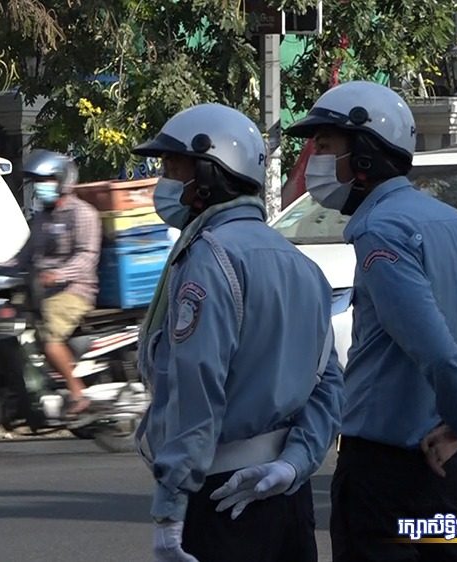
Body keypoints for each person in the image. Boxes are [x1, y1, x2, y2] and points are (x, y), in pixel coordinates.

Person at [286, 80, 457, 561]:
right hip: (442, 462)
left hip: (386, 475)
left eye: (327, 147)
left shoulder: (381, 232)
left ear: (364, 156)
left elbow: (438, 353)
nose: (316, 162)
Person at [132, 104, 344, 562]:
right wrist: (293, 465)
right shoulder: (303, 267)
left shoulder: (209, 261)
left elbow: (197, 388)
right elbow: (329, 385)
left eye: (172, 166)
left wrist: (170, 507)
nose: (163, 181)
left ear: (208, 173)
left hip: (220, 498)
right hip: (286, 494)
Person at [0, 150, 101, 415]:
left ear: (62, 180)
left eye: (47, 179)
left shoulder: (83, 214)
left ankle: (77, 391)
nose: (42, 186)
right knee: (0, 324)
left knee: (47, 337)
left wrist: (58, 274)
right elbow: (23, 258)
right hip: (39, 289)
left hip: (73, 291)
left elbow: (87, 257)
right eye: (38, 181)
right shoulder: (42, 217)